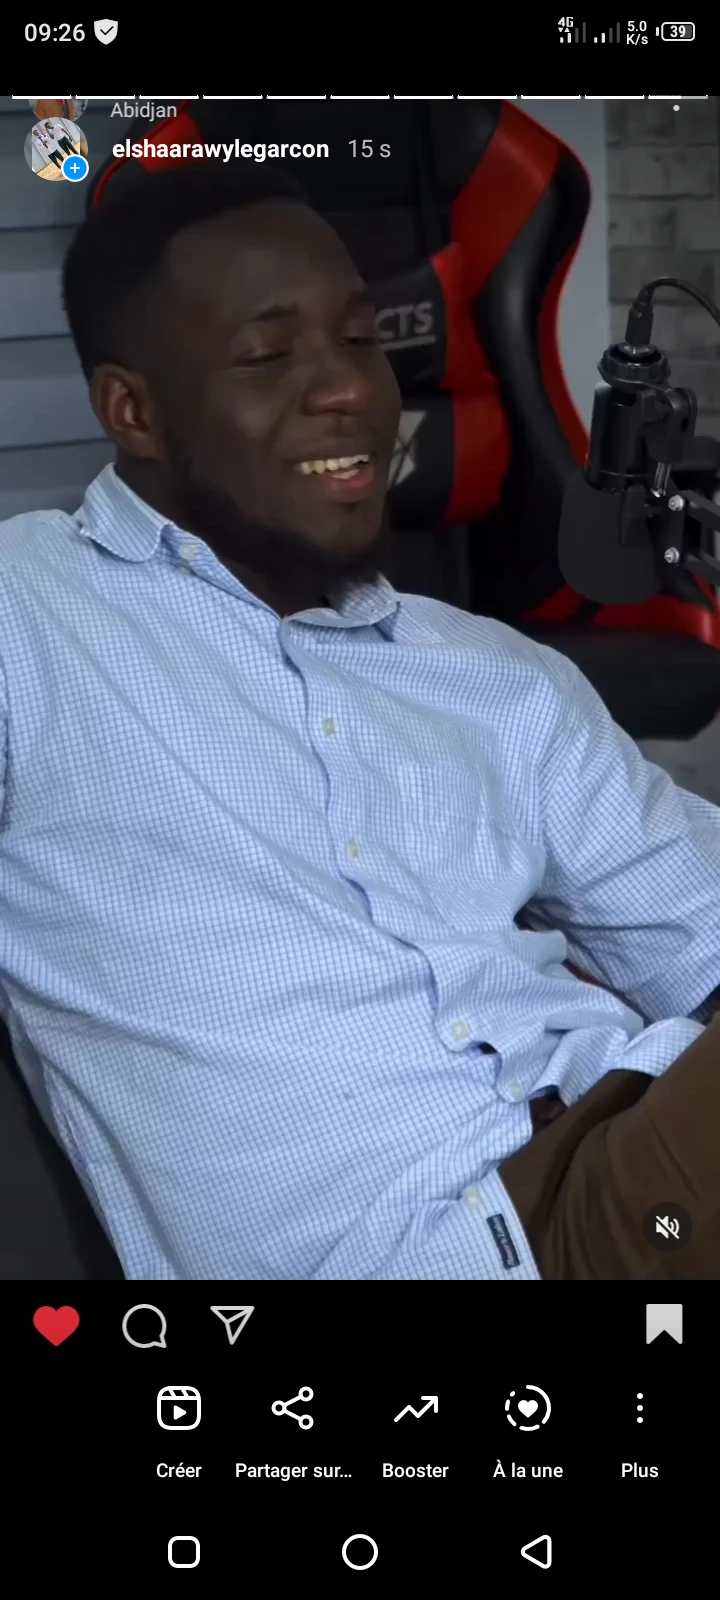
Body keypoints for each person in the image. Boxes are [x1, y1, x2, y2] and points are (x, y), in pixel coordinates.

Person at [2, 163, 720, 1282]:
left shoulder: (493, 676)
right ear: (132, 411)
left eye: (360, 340)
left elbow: (698, 923)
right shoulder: (31, 613)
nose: (349, 389)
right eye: (268, 354)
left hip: (625, 1144)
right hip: (460, 1247)